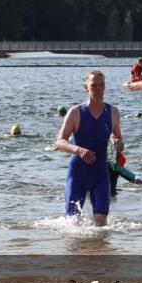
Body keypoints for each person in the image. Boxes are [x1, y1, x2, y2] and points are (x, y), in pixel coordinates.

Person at [54, 70, 124, 226]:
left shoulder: (112, 112)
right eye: (94, 85)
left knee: (101, 225)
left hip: (100, 174)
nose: (98, 89)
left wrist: (118, 143)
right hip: (78, 173)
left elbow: (117, 138)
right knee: (72, 223)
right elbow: (60, 141)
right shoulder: (75, 112)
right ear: (86, 87)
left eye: (102, 85)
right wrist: (79, 150)